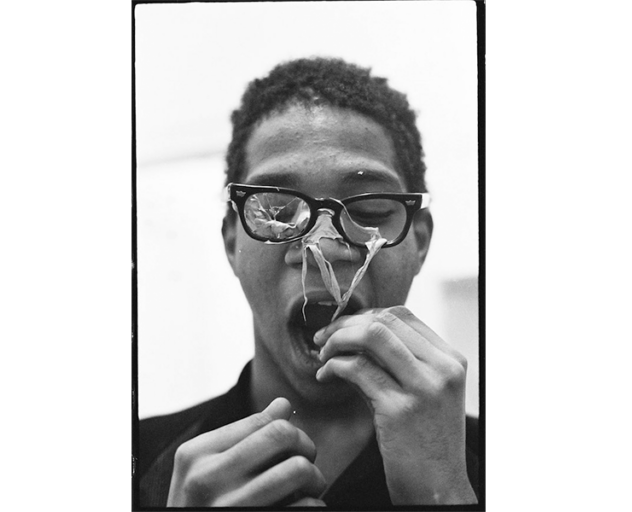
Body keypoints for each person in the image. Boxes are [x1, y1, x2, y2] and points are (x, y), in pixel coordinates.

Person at [137, 57, 480, 507]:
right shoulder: (136, 462)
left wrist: (446, 495)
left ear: (419, 241)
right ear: (230, 241)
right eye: (277, 212)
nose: (324, 246)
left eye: (369, 212)